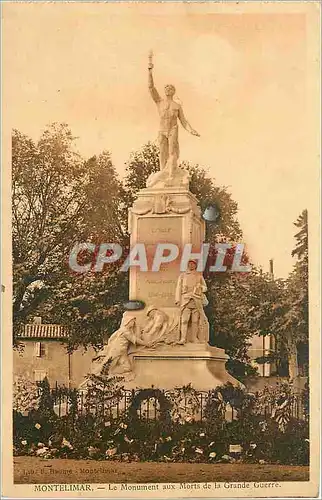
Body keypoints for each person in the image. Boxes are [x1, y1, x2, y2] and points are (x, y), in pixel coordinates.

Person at [148, 58, 200, 175]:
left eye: (170, 88)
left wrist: (191, 130)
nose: (168, 89)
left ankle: (171, 174)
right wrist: (150, 71)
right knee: (162, 153)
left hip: (172, 129)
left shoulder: (177, 105)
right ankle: (163, 174)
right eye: (166, 88)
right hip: (162, 130)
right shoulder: (159, 102)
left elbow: (183, 121)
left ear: (173, 91)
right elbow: (151, 88)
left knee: (172, 152)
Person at [175, 260, 209, 344]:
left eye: (193, 264)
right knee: (184, 320)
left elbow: (205, 288)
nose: (191, 265)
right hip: (185, 299)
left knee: (195, 321)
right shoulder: (183, 275)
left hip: (196, 300)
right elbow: (178, 288)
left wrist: (200, 287)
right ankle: (183, 338)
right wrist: (178, 300)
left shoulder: (199, 276)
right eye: (189, 263)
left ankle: (194, 338)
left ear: (195, 265)